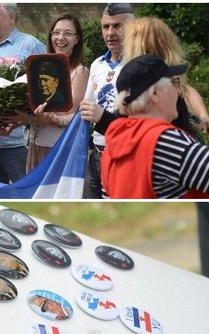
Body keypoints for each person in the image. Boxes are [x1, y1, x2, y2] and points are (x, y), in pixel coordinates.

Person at [100, 54, 209, 198]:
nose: (178, 92)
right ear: (154, 93)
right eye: (173, 83)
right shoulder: (166, 141)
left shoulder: (110, 148)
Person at [0, 3, 46, 183]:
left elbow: (45, 92)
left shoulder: (31, 46)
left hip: (18, 143)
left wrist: (25, 116)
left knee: (26, 194)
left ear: (12, 17)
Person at [79, 3, 135, 199]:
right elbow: (86, 108)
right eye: (106, 26)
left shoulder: (140, 64)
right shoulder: (96, 65)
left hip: (127, 155)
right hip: (98, 155)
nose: (110, 33)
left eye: (118, 26)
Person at [26, 13, 88, 171]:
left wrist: (56, 119)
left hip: (61, 147)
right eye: (56, 32)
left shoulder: (80, 72)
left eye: (68, 33)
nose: (61, 38)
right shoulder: (39, 67)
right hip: (36, 144)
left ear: (77, 39)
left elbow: (77, 116)